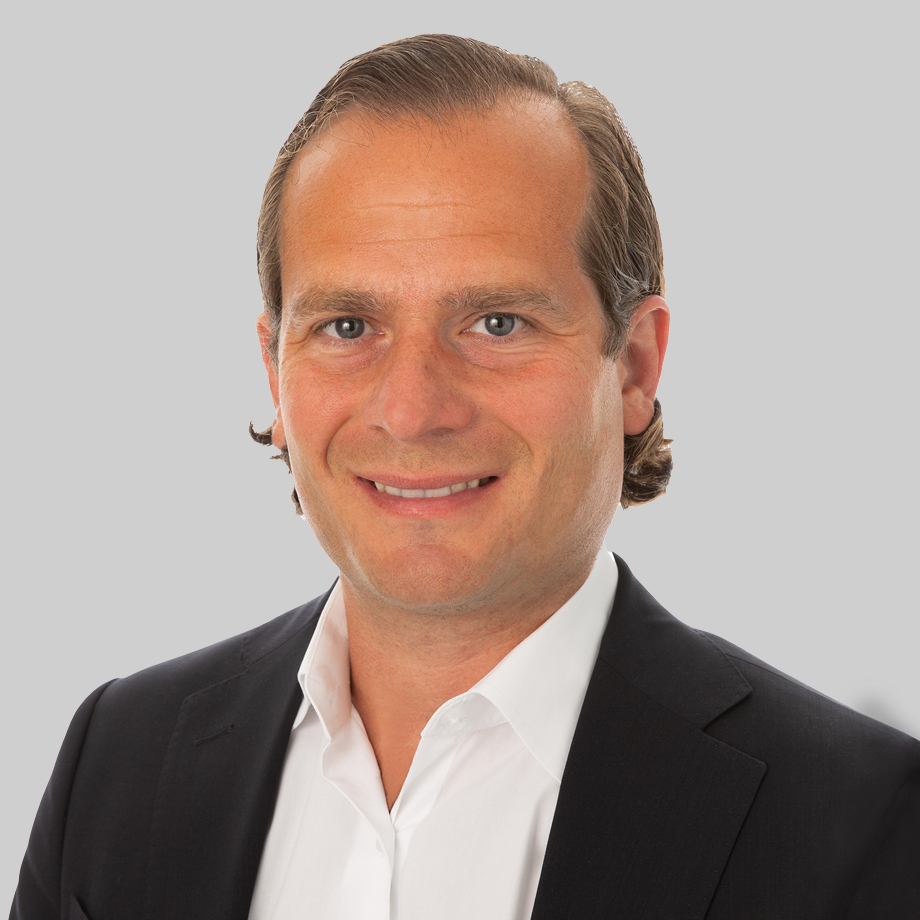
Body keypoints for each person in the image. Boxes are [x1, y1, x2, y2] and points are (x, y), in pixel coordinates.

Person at [11, 34, 919, 920]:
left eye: (496, 324)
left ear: (635, 366)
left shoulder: (867, 820)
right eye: (346, 327)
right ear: (276, 374)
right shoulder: (119, 758)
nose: (411, 410)